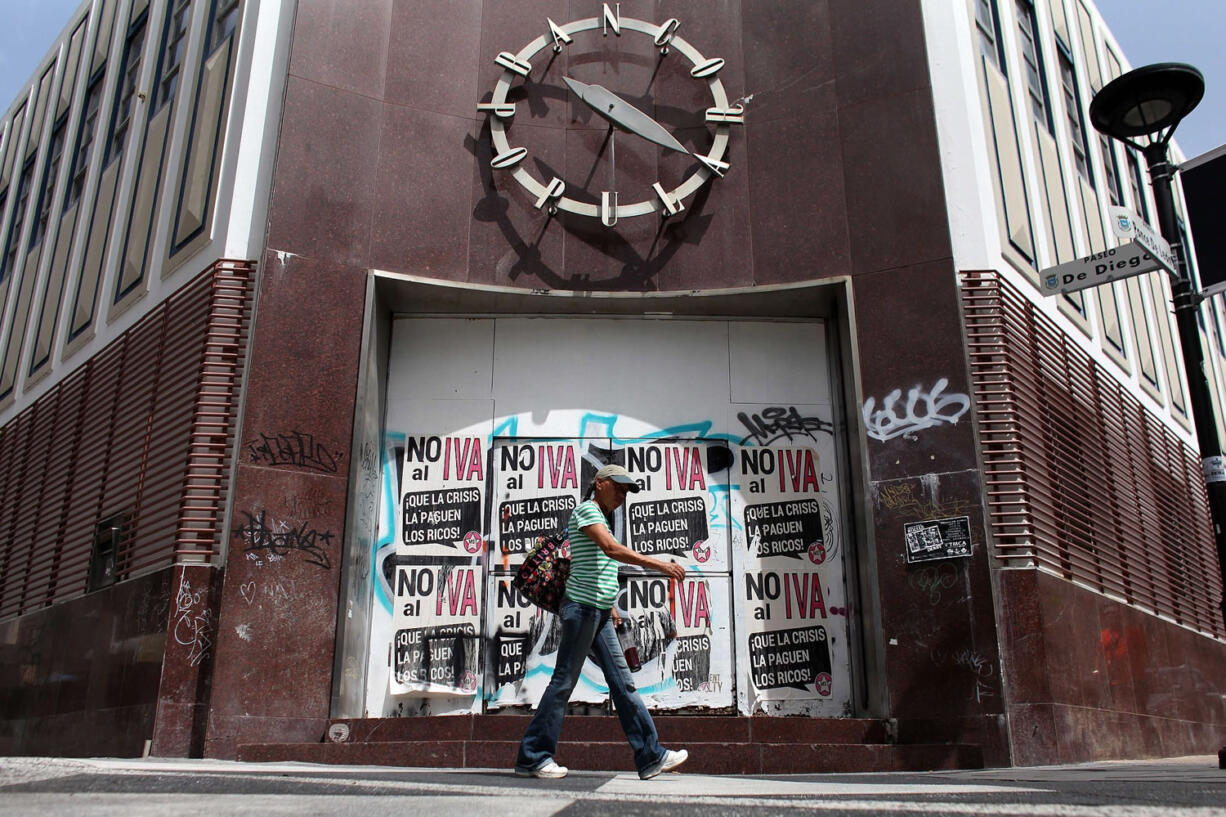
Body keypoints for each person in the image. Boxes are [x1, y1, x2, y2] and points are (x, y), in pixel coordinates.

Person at [515, 463, 690, 780]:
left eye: (627, 490)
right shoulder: (587, 511)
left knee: (623, 683)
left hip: (597, 611)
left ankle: (651, 756)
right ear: (600, 484)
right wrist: (660, 565)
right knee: (563, 682)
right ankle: (533, 756)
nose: (623, 494)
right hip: (581, 609)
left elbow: (597, 565)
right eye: (619, 487)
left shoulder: (603, 519)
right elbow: (610, 550)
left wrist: (610, 607)